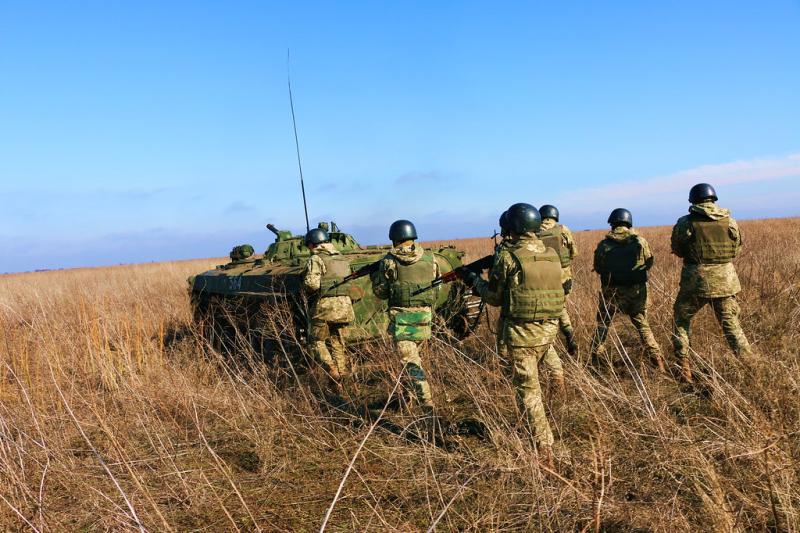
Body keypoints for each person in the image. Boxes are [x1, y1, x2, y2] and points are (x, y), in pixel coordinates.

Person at [465, 203, 564, 465]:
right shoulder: (552, 253)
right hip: (549, 330)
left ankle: (544, 452)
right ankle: (545, 422)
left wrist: (474, 281)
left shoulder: (508, 258)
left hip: (522, 335)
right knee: (536, 387)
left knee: (529, 392)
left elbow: (495, 298)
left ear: (514, 228)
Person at [670, 183, 752, 382]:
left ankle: (684, 369)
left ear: (693, 200)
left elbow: (678, 249)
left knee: (680, 321)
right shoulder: (730, 221)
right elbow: (736, 250)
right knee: (731, 326)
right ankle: (750, 368)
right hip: (725, 282)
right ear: (713, 199)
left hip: (695, 283)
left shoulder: (685, 223)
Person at [372, 220, 440, 423]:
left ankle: (429, 412)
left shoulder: (389, 261)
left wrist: (375, 279)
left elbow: (381, 292)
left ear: (394, 238)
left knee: (411, 365)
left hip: (402, 319)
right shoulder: (430, 258)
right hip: (425, 318)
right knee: (415, 360)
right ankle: (407, 399)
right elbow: (435, 290)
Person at [589, 209, 665, 372]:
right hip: (636, 291)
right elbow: (649, 263)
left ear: (612, 224)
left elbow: (598, 267)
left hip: (612, 291)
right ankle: (657, 359)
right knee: (642, 323)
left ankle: (596, 360)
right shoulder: (640, 241)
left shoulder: (604, 245)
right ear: (629, 223)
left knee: (603, 324)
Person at [302, 228, 355, 390]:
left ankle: (332, 370)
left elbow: (312, 284)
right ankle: (343, 376)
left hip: (326, 306)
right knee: (338, 342)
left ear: (312, 244)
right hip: (345, 306)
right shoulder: (341, 258)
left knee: (315, 340)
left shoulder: (316, 259)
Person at [538, 205, 579, 356]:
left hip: (546, 278)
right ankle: (568, 334)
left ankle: (551, 345)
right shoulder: (563, 229)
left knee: (549, 312)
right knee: (561, 307)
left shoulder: (535, 232)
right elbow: (574, 253)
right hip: (564, 278)